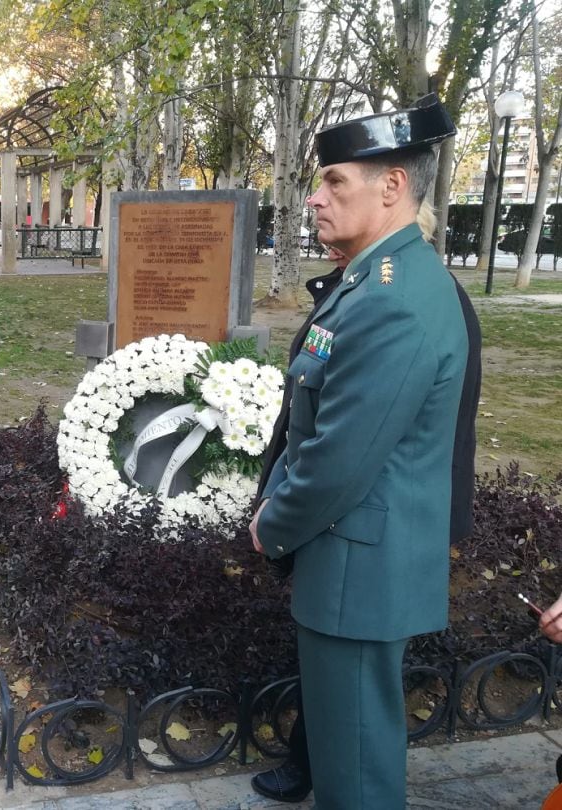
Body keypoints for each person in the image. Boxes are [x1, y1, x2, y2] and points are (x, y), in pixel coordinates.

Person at [248, 94, 467, 810]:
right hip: (354, 567)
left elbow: (341, 456)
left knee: (356, 772)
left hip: (357, 572)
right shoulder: (370, 281)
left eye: (335, 181)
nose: (316, 198)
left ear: (392, 186)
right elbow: (310, 416)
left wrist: (271, 523)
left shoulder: (393, 298)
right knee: (351, 754)